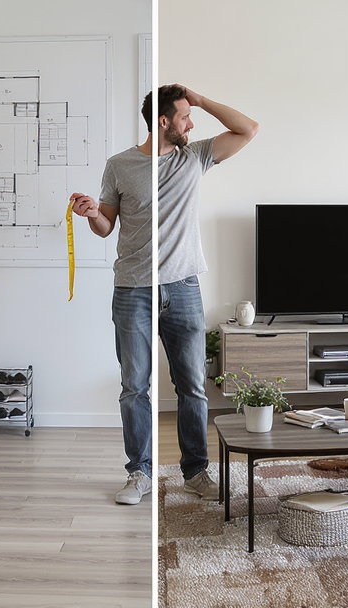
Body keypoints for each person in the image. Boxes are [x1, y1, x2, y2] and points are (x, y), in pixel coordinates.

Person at [71, 84, 259, 505]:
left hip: (184, 287)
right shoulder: (119, 166)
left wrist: (199, 98)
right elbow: (106, 227)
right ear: (162, 122)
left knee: (192, 385)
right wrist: (91, 215)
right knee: (134, 386)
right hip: (132, 290)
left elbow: (248, 129)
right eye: (185, 116)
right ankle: (139, 473)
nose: (192, 123)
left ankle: (196, 472)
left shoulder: (195, 157)